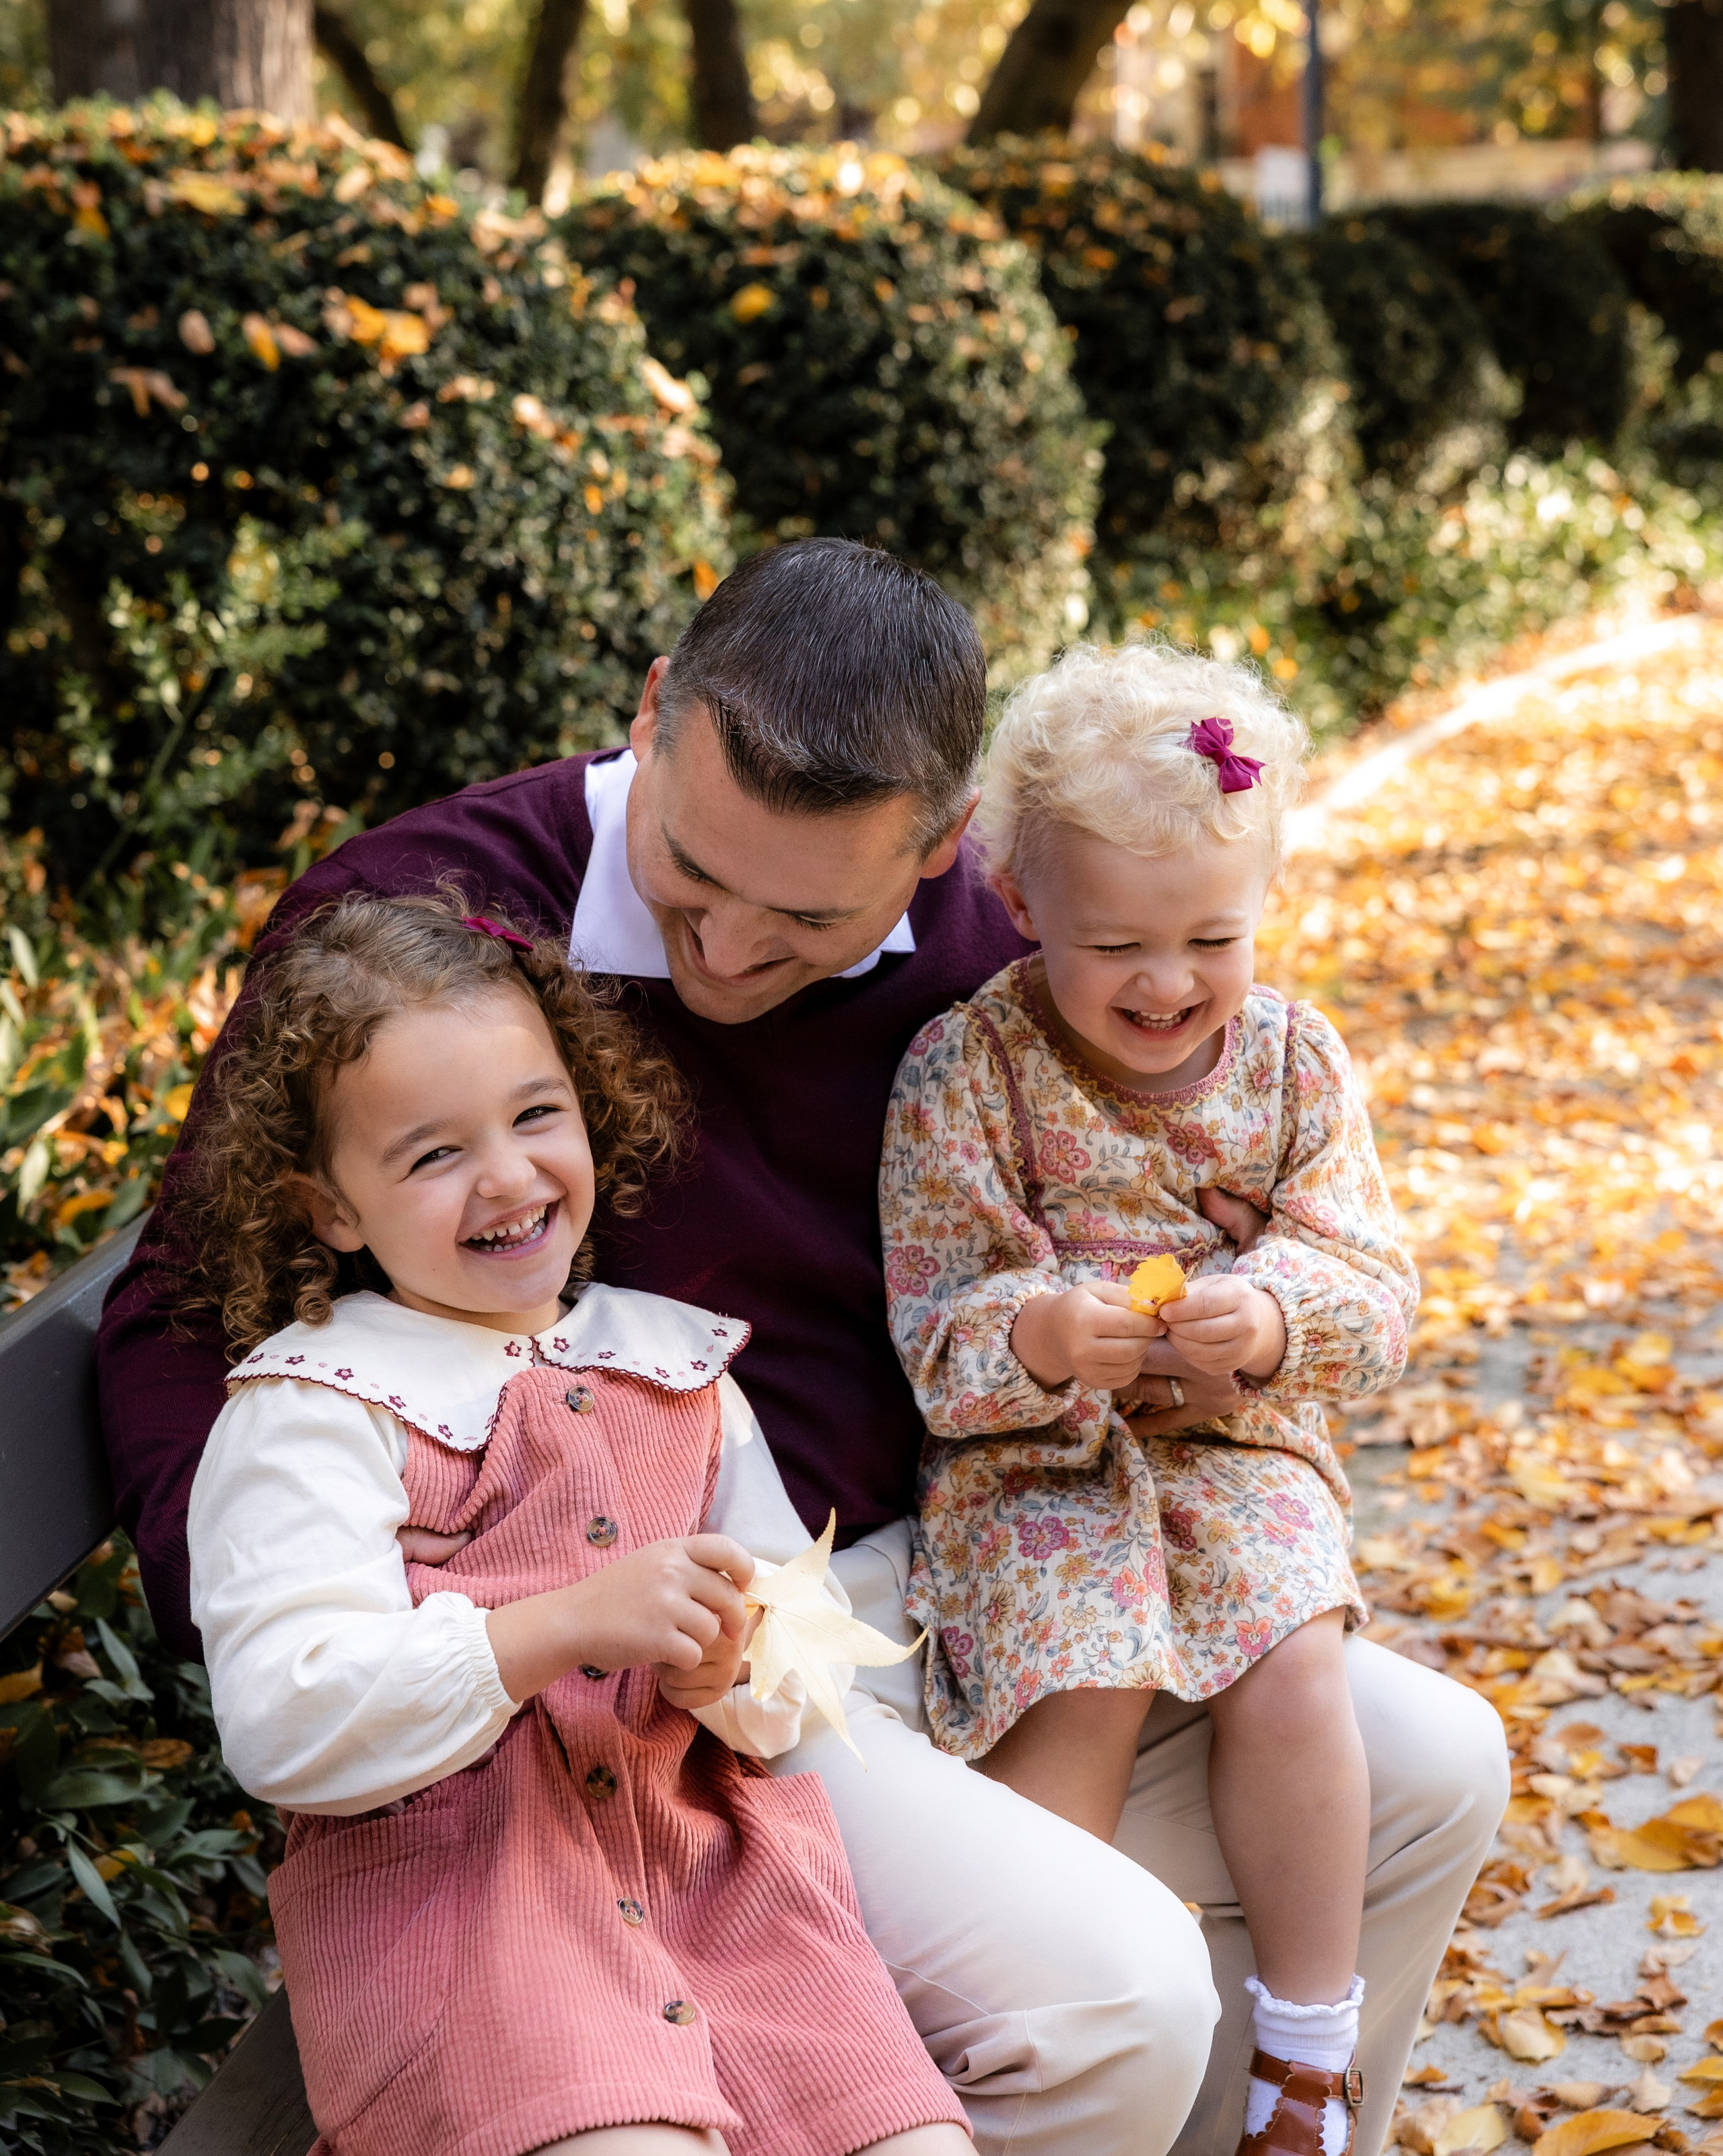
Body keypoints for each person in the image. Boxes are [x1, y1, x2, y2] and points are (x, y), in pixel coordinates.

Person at [97, 540, 1508, 2156]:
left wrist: (1214, 1325)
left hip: (985, 1568)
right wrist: (342, 1632)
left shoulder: (1003, 953)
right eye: (693, 876)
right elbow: (183, 1317)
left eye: (808, 917)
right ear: (653, 714)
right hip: (657, 1640)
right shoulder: (430, 921)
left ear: (944, 848)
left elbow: (1196, 1151)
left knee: (1433, 1772)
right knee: (1101, 1993)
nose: (726, 952)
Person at [183, 892, 970, 2156]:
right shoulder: (315, 1407)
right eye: (432, 1155)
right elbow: (285, 1713)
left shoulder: (674, 1363)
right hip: (472, 1928)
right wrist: (556, 1627)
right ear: (330, 1210)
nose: (507, 1175)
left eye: (536, 1114)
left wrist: (734, 1668)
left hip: (724, 1905)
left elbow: (799, 1642)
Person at [881, 641, 1420, 2156]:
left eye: (1211, 939)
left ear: (1264, 900)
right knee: (1082, 1669)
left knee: (1294, 1656)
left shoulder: (1295, 1064)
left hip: (1238, 1447)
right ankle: (1039, 2018)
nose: (1168, 983)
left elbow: (1374, 1285)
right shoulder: (966, 1072)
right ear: (1019, 900)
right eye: (1116, 943)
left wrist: (1274, 1318)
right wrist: (1046, 1333)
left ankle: (1303, 2060)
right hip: (1037, 1465)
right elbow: (936, 1314)